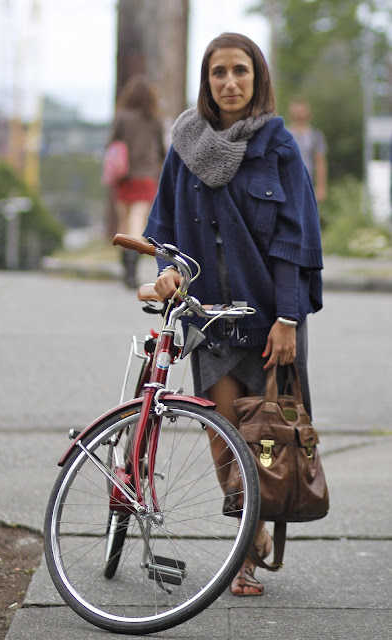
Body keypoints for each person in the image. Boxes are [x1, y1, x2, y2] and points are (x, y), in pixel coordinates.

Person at [143, 33, 323, 597]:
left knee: (264, 437)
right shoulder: (185, 145)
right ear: (206, 80)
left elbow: (294, 238)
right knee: (225, 439)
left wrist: (289, 317)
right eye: (218, 72)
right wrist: (169, 270)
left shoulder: (279, 147)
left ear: (257, 77)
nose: (229, 82)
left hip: (270, 317)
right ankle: (250, 532)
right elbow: (167, 228)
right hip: (211, 316)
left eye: (240, 71)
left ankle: (246, 552)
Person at [108, 75, 165, 287]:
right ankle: (132, 270)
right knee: (137, 223)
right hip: (145, 176)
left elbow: (113, 143)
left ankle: (126, 268)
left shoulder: (122, 117)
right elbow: (161, 151)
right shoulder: (154, 119)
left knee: (124, 223)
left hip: (123, 177)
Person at [288, 98, 327, 204]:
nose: (300, 115)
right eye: (297, 112)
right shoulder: (285, 134)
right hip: (287, 185)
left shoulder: (315, 136)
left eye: (302, 112)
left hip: (308, 185)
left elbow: (320, 162)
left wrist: (320, 187)